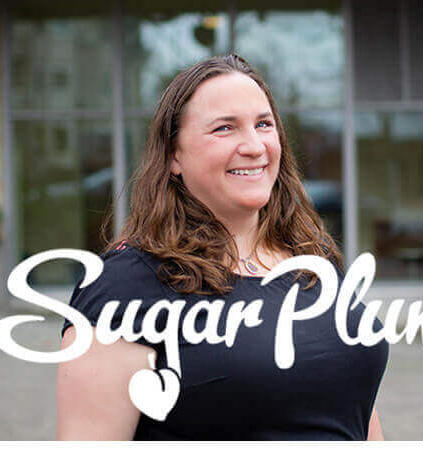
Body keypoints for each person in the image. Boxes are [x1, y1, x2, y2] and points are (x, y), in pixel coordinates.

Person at [56, 53, 389, 441]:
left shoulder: (313, 260)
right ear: (174, 155)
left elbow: (356, 406)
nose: (254, 146)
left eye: (263, 124)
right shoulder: (123, 287)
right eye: (224, 128)